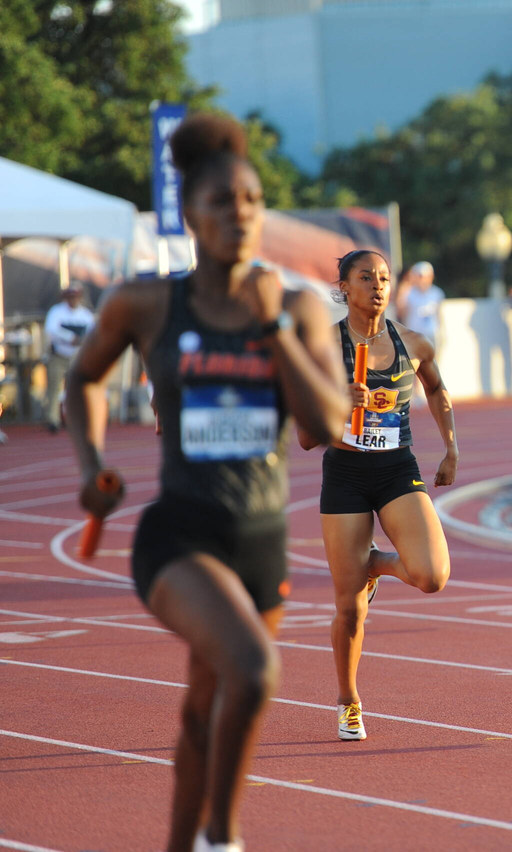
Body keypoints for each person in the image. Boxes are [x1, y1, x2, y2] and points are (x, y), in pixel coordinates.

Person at [64, 113, 349, 852]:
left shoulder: (297, 309)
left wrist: (274, 334)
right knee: (253, 671)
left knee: (202, 711)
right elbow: (83, 377)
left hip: (260, 544)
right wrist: (92, 464)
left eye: (253, 202)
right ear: (189, 213)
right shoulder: (147, 303)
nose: (241, 215)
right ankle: (222, 838)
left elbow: (331, 423)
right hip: (179, 538)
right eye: (222, 202)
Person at [300, 249, 457, 742]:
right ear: (343, 287)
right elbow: (305, 437)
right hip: (345, 473)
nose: (377, 285)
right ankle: (348, 701)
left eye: (384, 278)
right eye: (365, 277)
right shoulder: (323, 348)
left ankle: (373, 563)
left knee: (432, 575)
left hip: (396, 469)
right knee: (350, 608)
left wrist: (451, 448)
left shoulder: (413, 343)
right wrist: (335, 401)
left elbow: (437, 391)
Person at [43, 282, 95, 432]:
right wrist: (69, 337)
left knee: (75, 389)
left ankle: (73, 418)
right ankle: (53, 420)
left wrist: (82, 341)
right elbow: (51, 330)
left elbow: (92, 333)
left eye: (75, 297)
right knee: (54, 388)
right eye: (70, 297)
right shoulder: (57, 312)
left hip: (76, 356)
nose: (73, 300)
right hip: (58, 355)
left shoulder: (85, 315)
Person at [394, 261, 444, 348]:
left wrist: (442, 333)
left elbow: (440, 315)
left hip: (432, 335)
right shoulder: (408, 292)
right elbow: (400, 312)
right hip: (414, 335)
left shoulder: (437, 292)